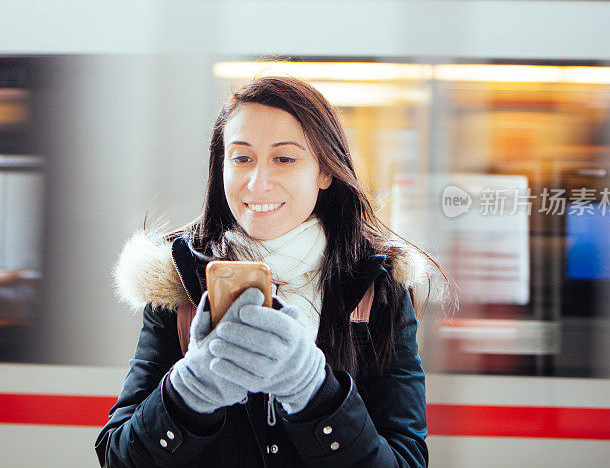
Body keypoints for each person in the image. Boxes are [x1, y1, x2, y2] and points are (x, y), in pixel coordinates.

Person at [95, 75, 439, 467]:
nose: (258, 183)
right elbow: (117, 458)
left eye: (284, 158)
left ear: (325, 172)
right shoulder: (180, 284)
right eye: (242, 158)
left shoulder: (375, 291)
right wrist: (190, 391)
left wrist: (314, 391)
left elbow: (406, 460)